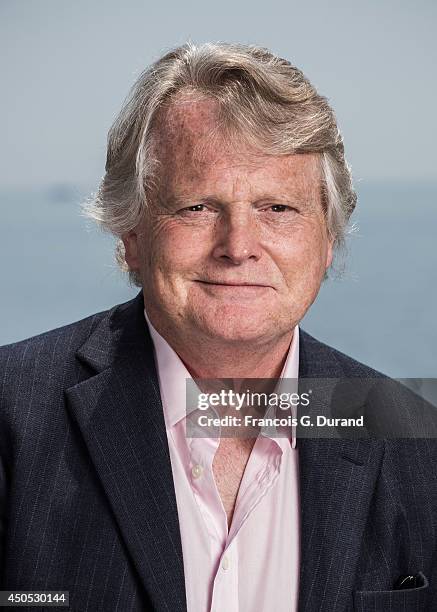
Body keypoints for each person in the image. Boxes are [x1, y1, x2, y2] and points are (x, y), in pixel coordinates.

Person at [0, 42, 435, 612]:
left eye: (278, 208)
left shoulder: (415, 440)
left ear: (328, 240)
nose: (238, 247)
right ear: (130, 233)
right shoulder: (12, 416)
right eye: (197, 207)